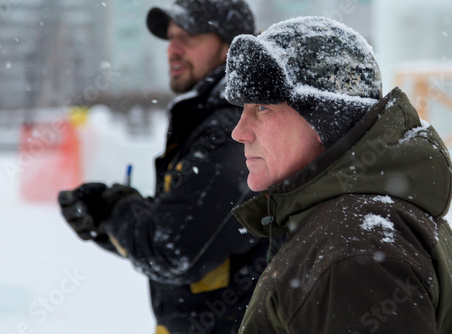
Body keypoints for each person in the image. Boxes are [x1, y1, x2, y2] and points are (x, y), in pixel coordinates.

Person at [224, 16, 452, 334]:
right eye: (243, 109)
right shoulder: (349, 226)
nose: (239, 132)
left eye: (262, 108)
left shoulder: (353, 251)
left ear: (326, 120)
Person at [58, 1, 269, 333]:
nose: (173, 49)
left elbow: (174, 249)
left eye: (189, 36)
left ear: (230, 47)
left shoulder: (232, 127)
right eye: (171, 38)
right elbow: (184, 229)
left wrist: (115, 209)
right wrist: (102, 220)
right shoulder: (206, 117)